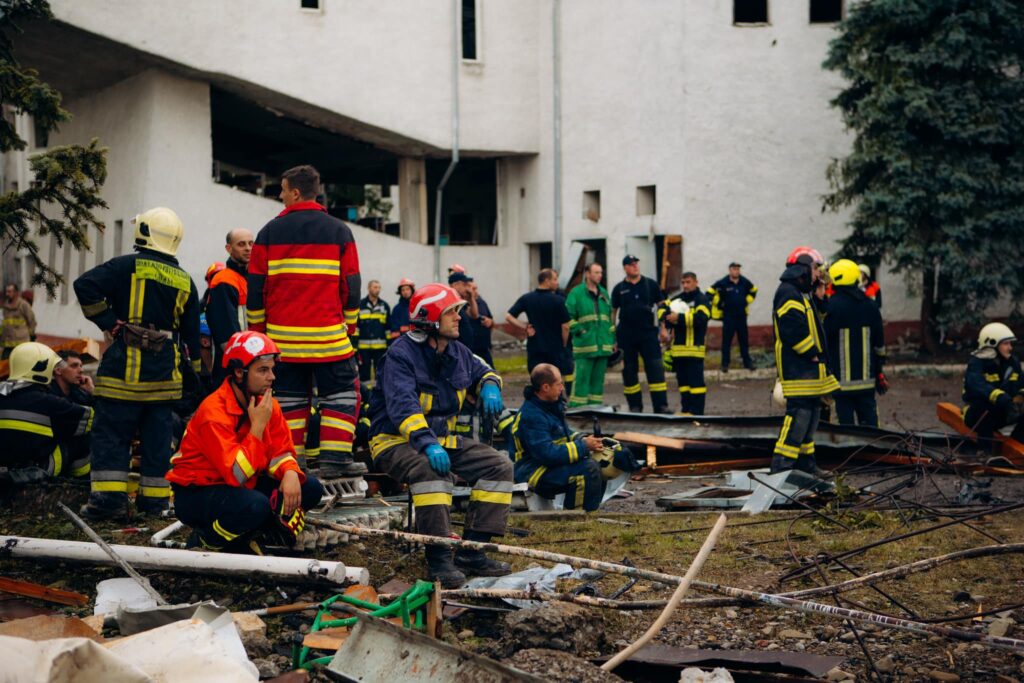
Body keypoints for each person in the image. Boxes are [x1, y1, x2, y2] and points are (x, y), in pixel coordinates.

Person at [368, 283, 511, 588]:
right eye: (452, 312)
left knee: (498, 466)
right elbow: (403, 409)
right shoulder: (401, 355)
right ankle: (439, 559)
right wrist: (429, 445)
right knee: (431, 472)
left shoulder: (456, 351)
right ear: (430, 319)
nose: (459, 318)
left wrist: (489, 385)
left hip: (440, 441)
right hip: (395, 441)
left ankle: (473, 551)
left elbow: (484, 369)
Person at [74, 206, 201, 519]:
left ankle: (108, 503)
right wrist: (194, 378)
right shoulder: (185, 281)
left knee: (112, 435)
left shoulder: (124, 265)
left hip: (122, 373)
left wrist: (109, 321)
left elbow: (84, 285)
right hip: (164, 377)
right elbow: (192, 339)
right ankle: (155, 504)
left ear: (144, 232)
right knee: (158, 442)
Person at [247, 165, 364, 478]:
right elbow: (351, 287)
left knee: (288, 401)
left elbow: (256, 290)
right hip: (329, 341)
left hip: (283, 344)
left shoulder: (268, 233)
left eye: (283, 190)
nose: (281, 196)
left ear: (295, 192)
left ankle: (290, 461)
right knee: (341, 395)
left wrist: (260, 338)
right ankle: (335, 461)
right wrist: (349, 329)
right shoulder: (340, 231)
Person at [167, 331, 323, 552]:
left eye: (272, 369)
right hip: (198, 493)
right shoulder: (214, 413)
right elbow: (236, 474)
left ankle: (264, 533)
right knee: (255, 506)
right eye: (262, 370)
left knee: (311, 488)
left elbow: (282, 453)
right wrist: (257, 428)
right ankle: (207, 540)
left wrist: (290, 472)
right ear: (239, 372)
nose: (272, 377)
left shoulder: (266, 403)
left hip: (243, 485)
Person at [771, 251, 839, 475]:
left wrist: (819, 293)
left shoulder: (801, 294)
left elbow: (819, 319)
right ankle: (782, 467)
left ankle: (806, 464)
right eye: (815, 269)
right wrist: (811, 352)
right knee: (798, 418)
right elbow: (792, 329)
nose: (818, 273)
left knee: (810, 417)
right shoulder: (788, 294)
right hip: (799, 368)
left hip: (809, 370)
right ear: (802, 270)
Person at [509, 364, 605, 510]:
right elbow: (547, 453)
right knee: (587, 470)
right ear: (545, 387)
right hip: (533, 472)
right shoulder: (532, 415)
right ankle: (577, 516)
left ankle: (591, 510)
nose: (562, 388)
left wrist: (584, 438)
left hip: (546, 466)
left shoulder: (550, 405)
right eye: (559, 384)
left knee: (602, 463)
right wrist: (584, 446)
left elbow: (563, 433)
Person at [0, 342, 94, 484]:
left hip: (4, 471)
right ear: (43, 368)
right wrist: (93, 393)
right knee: (84, 438)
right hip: (38, 470)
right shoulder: (51, 403)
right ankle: (79, 486)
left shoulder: (3, 394)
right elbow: (98, 418)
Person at [823, 260, 887, 427]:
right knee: (871, 430)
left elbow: (825, 343)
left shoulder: (831, 307)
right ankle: (872, 453)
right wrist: (879, 370)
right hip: (867, 383)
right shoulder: (870, 305)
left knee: (844, 432)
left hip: (840, 385)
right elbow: (879, 344)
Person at [611, 255, 668, 413]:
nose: (635, 266)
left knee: (656, 369)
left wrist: (663, 328)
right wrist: (612, 337)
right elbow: (613, 313)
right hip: (626, 336)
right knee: (629, 371)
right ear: (625, 268)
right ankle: (635, 406)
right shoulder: (619, 288)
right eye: (631, 264)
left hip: (648, 334)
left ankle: (661, 406)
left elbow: (662, 307)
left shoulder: (651, 284)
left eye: (636, 263)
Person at [962, 322, 1024, 451]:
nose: (1010, 348)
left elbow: (1021, 383)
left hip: (1005, 411)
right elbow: (976, 386)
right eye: (1006, 344)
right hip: (977, 415)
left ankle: (1016, 446)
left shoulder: (1012, 363)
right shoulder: (977, 363)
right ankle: (985, 453)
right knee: (984, 408)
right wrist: (1001, 397)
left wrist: (1020, 397)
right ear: (992, 344)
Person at [659, 272, 711, 415]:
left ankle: (697, 413)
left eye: (688, 282)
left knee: (696, 385)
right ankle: (686, 410)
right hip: (678, 351)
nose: (685, 285)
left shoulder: (702, 299)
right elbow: (662, 307)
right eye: (683, 282)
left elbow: (703, 317)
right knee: (683, 384)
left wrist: (679, 317)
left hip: (695, 350)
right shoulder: (678, 299)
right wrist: (665, 319)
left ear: (696, 282)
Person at [564, 263, 615, 408]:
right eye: (596, 272)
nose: (600, 275)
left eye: (601, 272)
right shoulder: (576, 293)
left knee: (598, 383)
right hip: (585, 346)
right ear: (587, 274)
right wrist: (580, 331)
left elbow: (608, 320)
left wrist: (612, 340)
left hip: (603, 346)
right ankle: (577, 411)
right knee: (581, 381)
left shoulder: (604, 293)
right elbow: (567, 316)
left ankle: (595, 410)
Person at [206, 230, 253, 386]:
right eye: (241, 244)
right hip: (234, 366)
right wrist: (240, 364)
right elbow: (226, 334)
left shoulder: (251, 278)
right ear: (229, 248)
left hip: (251, 360)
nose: (248, 248)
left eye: (251, 243)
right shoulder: (224, 280)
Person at [505, 269, 571, 376]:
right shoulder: (559, 300)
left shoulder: (527, 298)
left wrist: (525, 327)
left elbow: (508, 317)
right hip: (555, 349)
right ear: (546, 281)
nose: (557, 282)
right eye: (554, 279)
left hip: (535, 348)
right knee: (554, 380)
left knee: (537, 379)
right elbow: (565, 326)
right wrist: (564, 344)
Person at [707, 262, 757, 372]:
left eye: (738, 269)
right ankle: (725, 364)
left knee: (744, 341)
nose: (736, 271)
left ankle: (747, 363)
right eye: (734, 269)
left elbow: (754, 290)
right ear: (730, 270)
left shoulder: (744, 281)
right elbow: (709, 292)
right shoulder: (723, 282)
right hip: (728, 317)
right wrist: (719, 303)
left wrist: (746, 301)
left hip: (741, 316)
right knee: (727, 342)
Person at [356, 280, 391, 387]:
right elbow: (356, 328)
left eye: (379, 287)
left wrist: (389, 346)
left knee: (380, 373)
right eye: (375, 287)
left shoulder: (384, 306)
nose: (377, 289)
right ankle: (365, 398)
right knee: (364, 374)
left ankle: (378, 397)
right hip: (363, 348)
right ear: (369, 288)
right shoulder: (360, 305)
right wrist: (354, 347)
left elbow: (388, 328)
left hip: (380, 348)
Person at [2, 283, 36, 359]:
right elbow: (4, 324)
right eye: (7, 292)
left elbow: (31, 321)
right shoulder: (5, 306)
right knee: (4, 365)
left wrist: (31, 335)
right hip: (8, 344)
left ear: (16, 293)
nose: (7, 294)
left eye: (10, 291)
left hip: (22, 343)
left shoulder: (24, 305)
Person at [468, 280, 495, 368]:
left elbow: (491, 319)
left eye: (476, 289)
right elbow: (473, 315)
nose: (476, 291)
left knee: (491, 373)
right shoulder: (465, 305)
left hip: (484, 348)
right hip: (472, 349)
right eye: (473, 289)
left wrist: (490, 322)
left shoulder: (481, 302)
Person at [448, 271, 478, 352]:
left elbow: (474, 315)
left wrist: (471, 297)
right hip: (457, 349)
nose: (467, 288)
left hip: (466, 348)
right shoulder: (449, 302)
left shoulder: (460, 301)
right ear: (455, 285)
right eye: (464, 285)